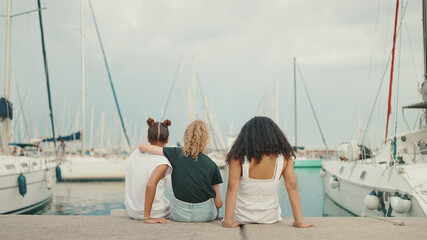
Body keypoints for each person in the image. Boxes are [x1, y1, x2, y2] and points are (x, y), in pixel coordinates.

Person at [222, 116, 314, 228]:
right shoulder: (285, 158)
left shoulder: (238, 158)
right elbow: (292, 186)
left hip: (241, 216)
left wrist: (228, 221)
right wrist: (299, 222)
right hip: (270, 217)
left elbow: (232, 187)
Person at [139, 119, 223, 222]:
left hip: (180, 215)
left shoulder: (175, 153)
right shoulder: (212, 165)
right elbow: (219, 203)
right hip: (205, 215)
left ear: (186, 136)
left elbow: (143, 147)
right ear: (205, 140)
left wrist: (142, 145)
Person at [125, 118, 173, 224]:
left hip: (132, 211)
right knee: (171, 206)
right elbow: (150, 185)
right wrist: (147, 217)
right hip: (153, 213)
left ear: (148, 138)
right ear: (167, 139)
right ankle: (148, 215)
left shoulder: (135, 154)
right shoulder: (163, 161)